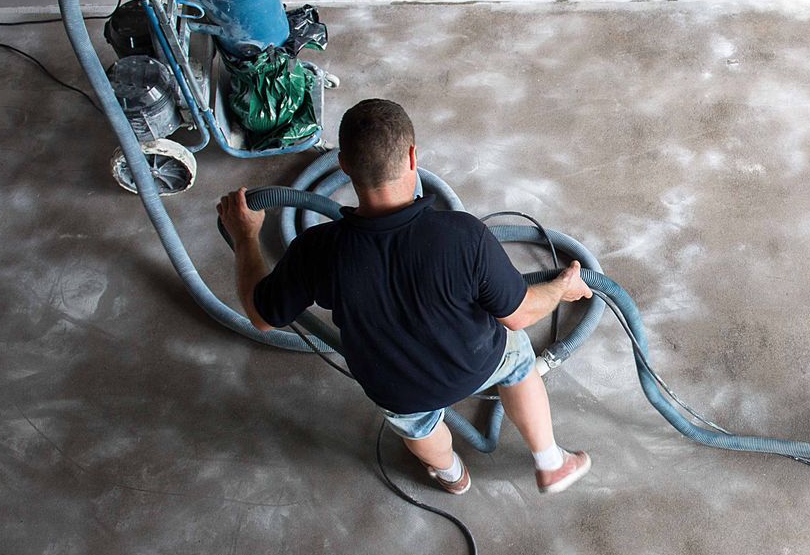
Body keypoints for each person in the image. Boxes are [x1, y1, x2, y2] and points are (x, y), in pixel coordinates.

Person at [218, 99, 594, 496]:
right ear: (413, 156)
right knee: (518, 362)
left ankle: (452, 475)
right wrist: (561, 287)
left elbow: (262, 316)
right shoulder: (462, 235)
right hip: (477, 361)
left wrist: (246, 237)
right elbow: (517, 314)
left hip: (402, 389)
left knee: (419, 427)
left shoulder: (318, 250)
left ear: (344, 166)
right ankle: (551, 462)